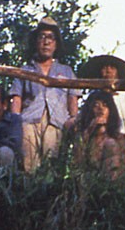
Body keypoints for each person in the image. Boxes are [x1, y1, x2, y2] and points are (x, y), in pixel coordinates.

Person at [10, 17, 81, 172]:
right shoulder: (25, 70)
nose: (46, 42)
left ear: (56, 44)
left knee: (51, 168)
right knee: (29, 167)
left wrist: (73, 119)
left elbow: (72, 98)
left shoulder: (66, 71)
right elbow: (16, 98)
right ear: (36, 41)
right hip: (29, 122)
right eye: (42, 37)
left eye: (51, 38)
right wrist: (15, 122)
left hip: (57, 122)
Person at [78, 54, 125, 168]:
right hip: (97, 142)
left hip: (123, 143)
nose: (108, 71)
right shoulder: (93, 98)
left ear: (117, 72)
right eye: (105, 68)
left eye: (112, 68)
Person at [71, 90, 125, 177]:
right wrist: (89, 131)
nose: (101, 109)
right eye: (96, 105)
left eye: (105, 105)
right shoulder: (84, 137)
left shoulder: (122, 139)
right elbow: (77, 163)